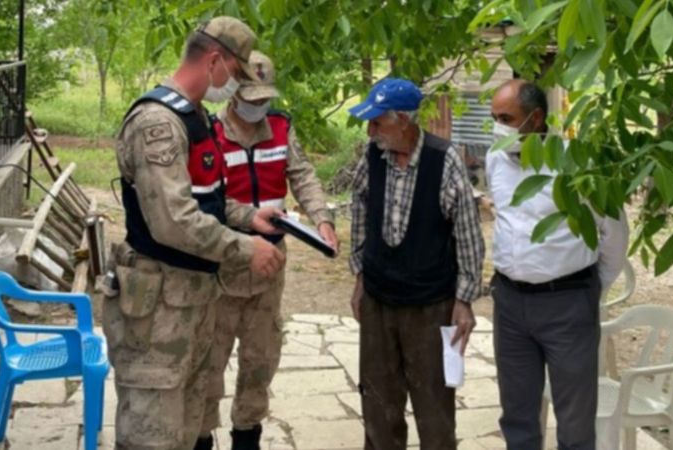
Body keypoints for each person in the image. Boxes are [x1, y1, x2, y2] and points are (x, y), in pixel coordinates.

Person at [104, 17, 286, 450]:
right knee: (153, 437)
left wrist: (248, 217)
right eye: (236, 73)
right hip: (158, 315)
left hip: (192, 303)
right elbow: (174, 220)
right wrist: (245, 248)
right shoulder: (158, 122)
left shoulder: (193, 116)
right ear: (215, 60)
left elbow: (206, 199)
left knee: (187, 432)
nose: (235, 86)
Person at [197, 51, 339, 450]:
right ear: (233, 94)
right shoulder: (209, 133)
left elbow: (303, 175)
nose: (258, 106)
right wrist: (247, 217)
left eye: (264, 98)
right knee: (208, 363)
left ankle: (247, 436)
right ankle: (201, 436)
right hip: (224, 262)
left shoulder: (280, 127)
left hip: (270, 266)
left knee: (260, 360)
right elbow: (205, 201)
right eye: (251, 98)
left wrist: (322, 218)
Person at [486, 79, 629, 450]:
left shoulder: (578, 164)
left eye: (506, 118)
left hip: (567, 305)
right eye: (494, 117)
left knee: (575, 422)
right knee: (517, 415)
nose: (497, 127)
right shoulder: (495, 159)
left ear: (535, 119)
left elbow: (614, 235)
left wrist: (590, 290)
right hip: (510, 305)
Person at [348, 78, 486, 450]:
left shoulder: (444, 160)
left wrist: (464, 301)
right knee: (378, 404)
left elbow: (468, 233)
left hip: (430, 304)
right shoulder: (373, 156)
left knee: (434, 408)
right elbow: (359, 211)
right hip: (379, 299)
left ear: (404, 121)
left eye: (377, 122)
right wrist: (360, 276)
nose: (370, 131)